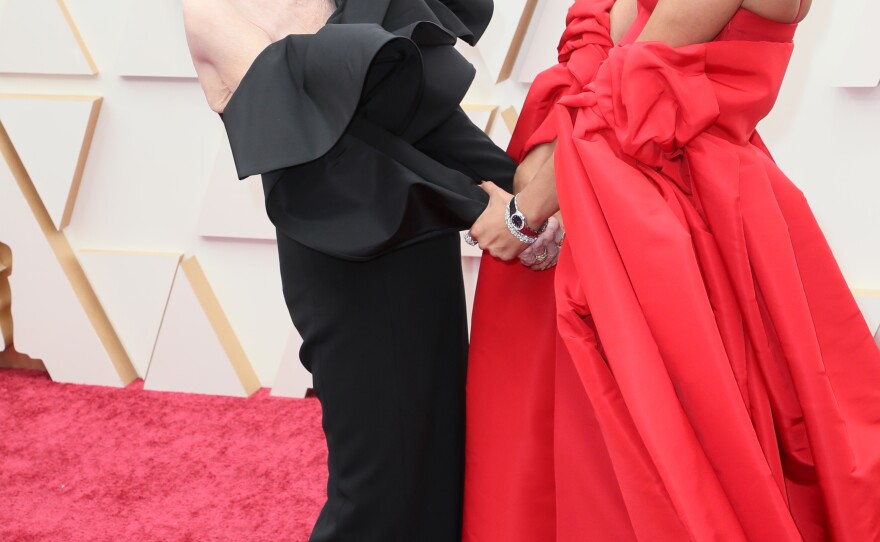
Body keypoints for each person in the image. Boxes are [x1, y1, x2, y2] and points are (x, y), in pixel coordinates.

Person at [464, 0, 880, 540]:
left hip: (668, 224)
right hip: (620, 203)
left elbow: (627, 97)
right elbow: (597, 63)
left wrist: (523, 217)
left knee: (656, 458)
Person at [182, 0, 516, 540]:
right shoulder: (213, 12)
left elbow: (422, 117)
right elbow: (324, 153)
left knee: (439, 459)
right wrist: (477, 204)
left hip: (422, 246)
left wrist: (525, 188)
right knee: (380, 486)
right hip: (341, 250)